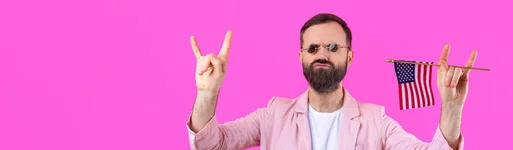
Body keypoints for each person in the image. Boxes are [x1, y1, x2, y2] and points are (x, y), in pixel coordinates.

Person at [186, 13, 475, 150]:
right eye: (313, 48)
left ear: (349, 57)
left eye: (333, 47)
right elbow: (210, 145)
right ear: (301, 57)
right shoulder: (272, 114)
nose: (322, 54)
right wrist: (207, 94)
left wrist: (451, 108)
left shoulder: (377, 121)